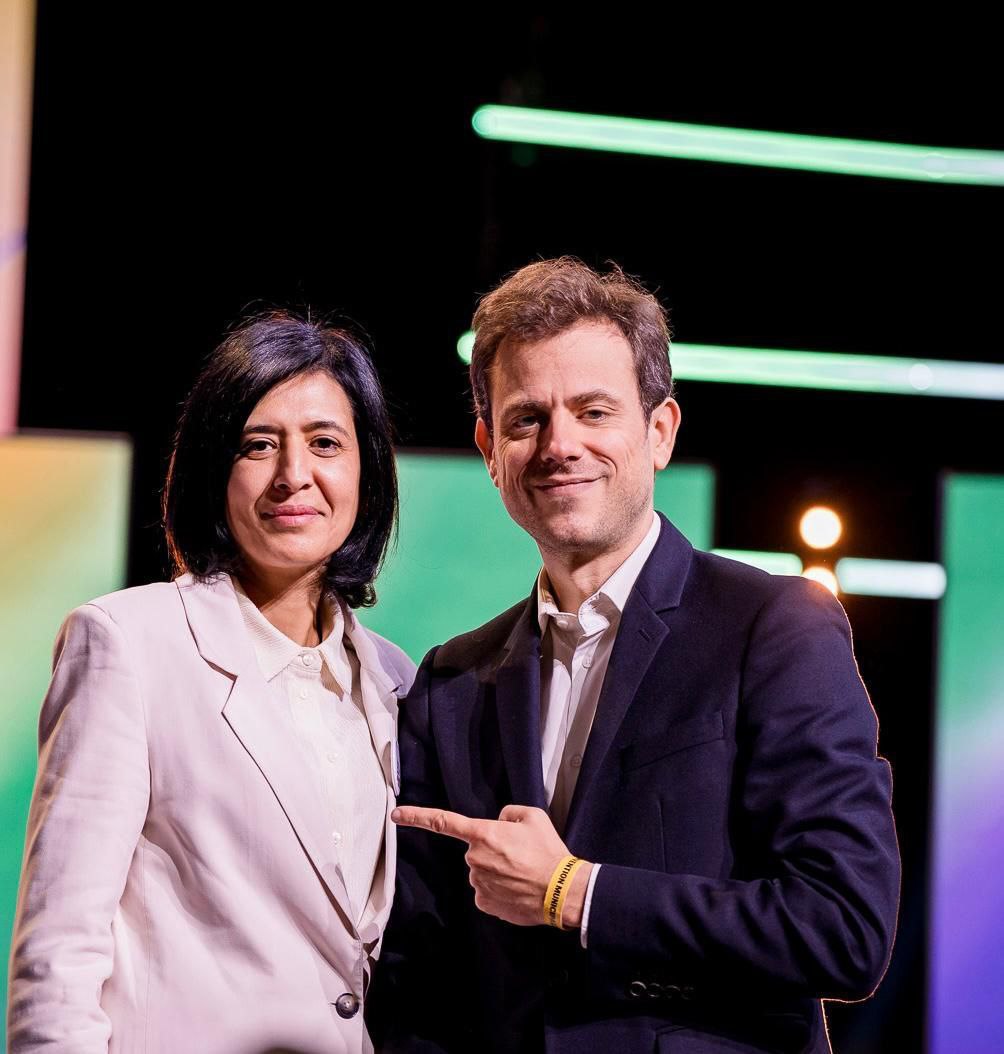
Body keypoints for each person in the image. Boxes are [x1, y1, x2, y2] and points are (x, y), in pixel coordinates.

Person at [368, 259, 900, 1053]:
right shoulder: (449, 681)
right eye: (525, 419)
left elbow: (843, 928)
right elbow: (417, 977)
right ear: (488, 448)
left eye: (593, 411)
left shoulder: (775, 626)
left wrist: (572, 892)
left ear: (660, 432)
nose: (559, 445)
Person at [8, 313, 415, 1054]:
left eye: (326, 443)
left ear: (367, 470)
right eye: (258, 445)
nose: (295, 474)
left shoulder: (395, 679)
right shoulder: (127, 644)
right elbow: (57, 956)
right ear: (212, 469)